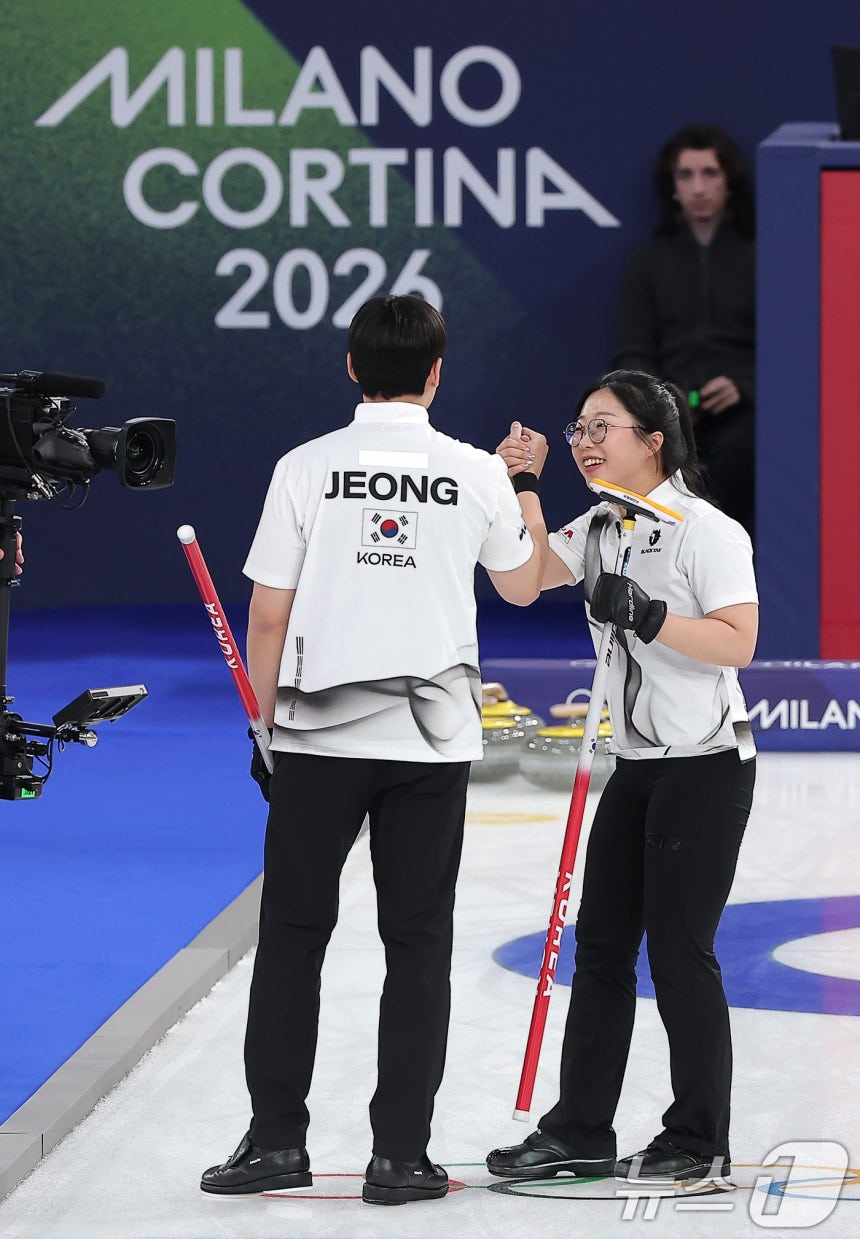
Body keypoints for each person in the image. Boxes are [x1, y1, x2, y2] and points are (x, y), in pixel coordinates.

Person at [200, 295, 548, 1206]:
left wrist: (262, 726)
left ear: (351, 367)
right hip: (431, 745)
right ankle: (401, 1156)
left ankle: (276, 1141)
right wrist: (520, 482)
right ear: (437, 373)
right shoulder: (474, 472)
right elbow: (520, 587)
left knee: (292, 939)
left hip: (316, 736)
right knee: (418, 943)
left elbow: (267, 615)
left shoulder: (305, 467)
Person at [485, 369, 757, 1185]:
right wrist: (523, 486)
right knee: (600, 948)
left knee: (679, 952)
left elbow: (737, 641)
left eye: (603, 426)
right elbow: (522, 583)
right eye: (578, 429)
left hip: (705, 767)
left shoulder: (704, 529)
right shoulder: (601, 524)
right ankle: (579, 1129)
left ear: (654, 439)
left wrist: (645, 612)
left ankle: (698, 1137)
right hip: (636, 768)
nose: (585, 441)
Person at [613, 124, 756, 537]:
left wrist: (743, 385)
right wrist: (663, 399)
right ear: (671, 187)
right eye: (686, 175)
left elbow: (791, 348)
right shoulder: (648, 263)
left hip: (744, 414)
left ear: (729, 182)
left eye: (710, 173)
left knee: (744, 451)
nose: (698, 187)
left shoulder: (761, 257)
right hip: (671, 412)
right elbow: (631, 351)